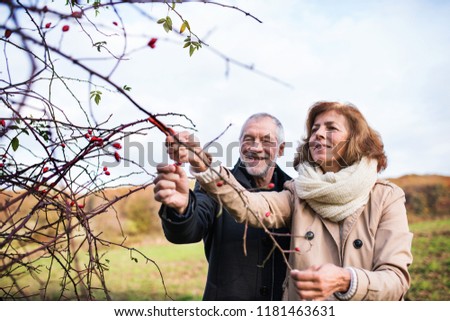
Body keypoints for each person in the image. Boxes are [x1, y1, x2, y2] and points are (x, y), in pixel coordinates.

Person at [159, 101, 413, 301]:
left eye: (330, 128)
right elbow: (249, 206)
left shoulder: (385, 197)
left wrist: (347, 280)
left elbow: (396, 280)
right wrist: (200, 164)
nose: (318, 134)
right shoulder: (298, 193)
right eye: (314, 129)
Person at [153, 113, 292, 300]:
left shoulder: (293, 194)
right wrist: (182, 208)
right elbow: (189, 230)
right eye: (248, 139)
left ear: (281, 149)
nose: (255, 147)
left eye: (266, 141)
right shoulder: (213, 185)